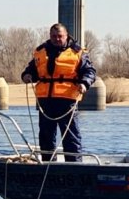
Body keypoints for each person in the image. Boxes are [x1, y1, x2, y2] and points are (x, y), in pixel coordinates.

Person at [21, 23, 96, 162]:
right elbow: (31, 70)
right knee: (46, 135)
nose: (57, 39)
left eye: (60, 36)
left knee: (71, 136)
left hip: (67, 100)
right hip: (45, 100)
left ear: (66, 36)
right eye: (54, 36)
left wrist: (84, 83)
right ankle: (48, 164)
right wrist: (26, 75)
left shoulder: (77, 52)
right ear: (50, 36)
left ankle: (74, 165)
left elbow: (90, 72)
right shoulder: (41, 51)